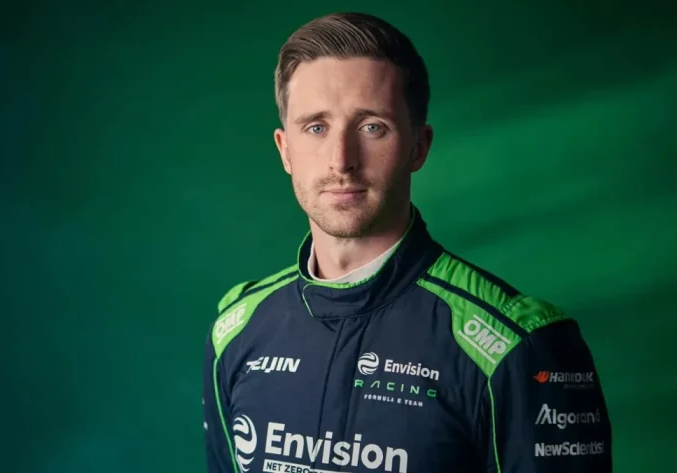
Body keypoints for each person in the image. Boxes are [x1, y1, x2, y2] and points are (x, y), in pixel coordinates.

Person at [202, 12, 612, 473]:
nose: (341, 160)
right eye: (316, 127)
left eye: (372, 126)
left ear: (419, 146)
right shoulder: (236, 331)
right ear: (284, 150)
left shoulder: (517, 348)